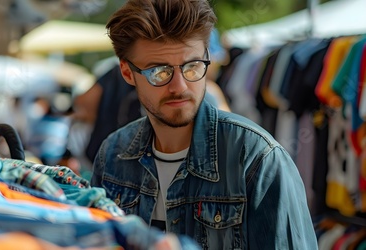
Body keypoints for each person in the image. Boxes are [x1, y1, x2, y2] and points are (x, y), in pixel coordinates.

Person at [89, 0, 318, 249]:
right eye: (159, 72)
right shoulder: (113, 156)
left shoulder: (256, 158)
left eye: (192, 66)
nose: (180, 86)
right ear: (127, 72)